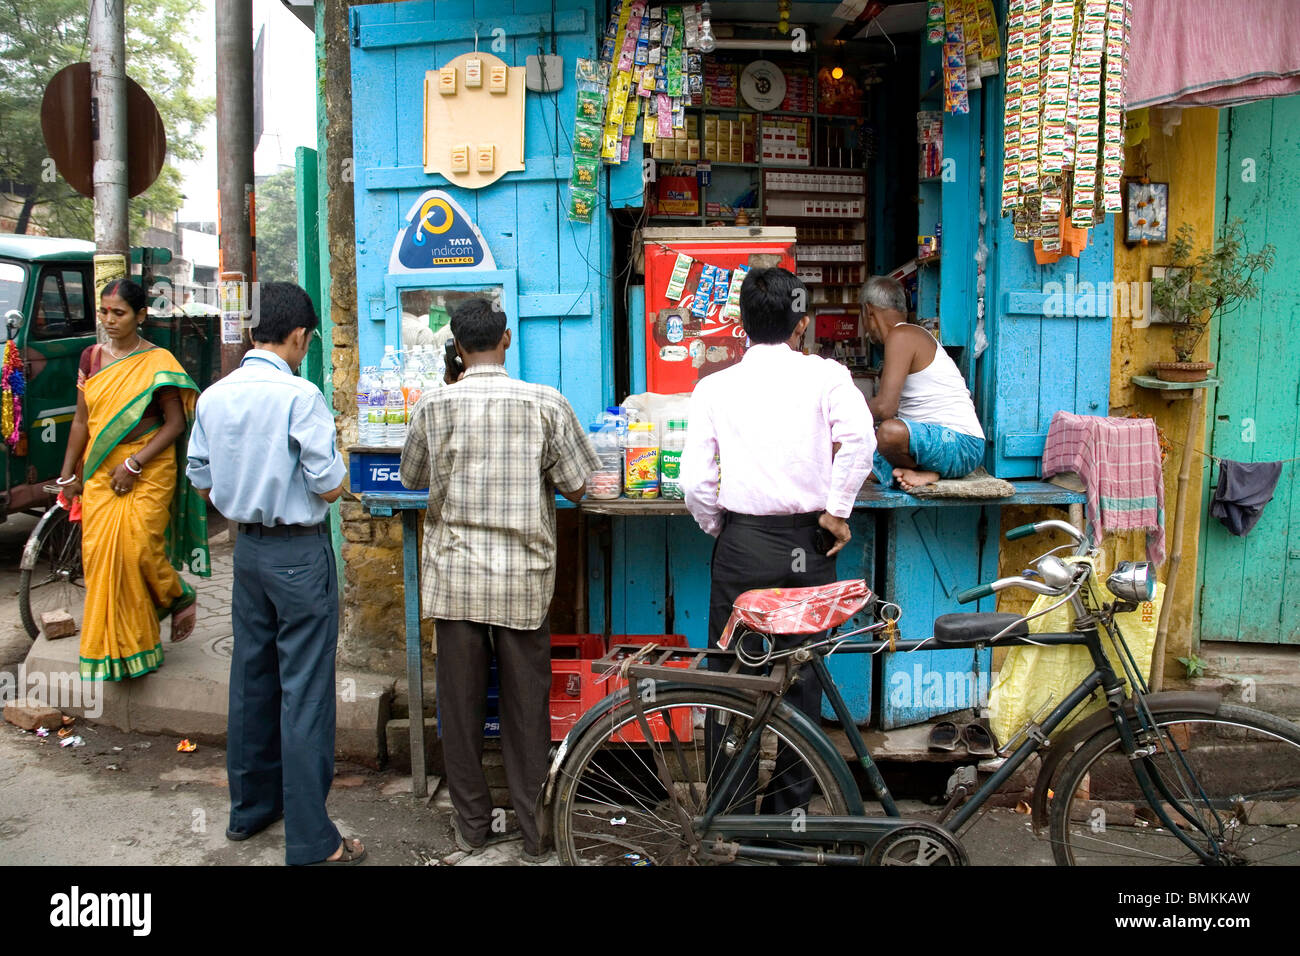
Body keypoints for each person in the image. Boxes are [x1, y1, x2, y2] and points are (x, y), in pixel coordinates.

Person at [400, 298, 599, 860]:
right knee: (524, 707)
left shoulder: (434, 404)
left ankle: (472, 826)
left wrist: (446, 387)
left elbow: (413, 476)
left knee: (460, 709)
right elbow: (580, 486)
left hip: (456, 578)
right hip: (523, 580)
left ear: (456, 348)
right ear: (506, 340)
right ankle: (535, 832)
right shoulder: (545, 402)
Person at [680, 266, 875, 813]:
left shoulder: (714, 387)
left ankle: (730, 813)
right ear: (802, 325)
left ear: (741, 325)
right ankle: (786, 813)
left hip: (742, 546)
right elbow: (861, 440)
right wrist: (837, 514)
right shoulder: (827, 376)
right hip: (806, 546)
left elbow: (694, 483)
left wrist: (725, 529)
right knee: (802, 681)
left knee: (729, 685)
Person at [186, 282, 363, 866]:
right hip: (298, 553)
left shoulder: (213, 395)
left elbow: (202, 479)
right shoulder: (299, 394)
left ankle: (251, 810)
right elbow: (330, 484)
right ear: (298, 336)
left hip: (249, 554)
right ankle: (314, 840)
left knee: (252, 679)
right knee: (306, 691)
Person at [58, 277, 208, 681]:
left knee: (139, 548)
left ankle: (178, 593)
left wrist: (136, 463)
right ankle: (123, 652)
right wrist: (67, 473)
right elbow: (81, 421)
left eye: (119, 313)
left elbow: (175, 424)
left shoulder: (157, 361)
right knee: (103, 558)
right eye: (104, 312)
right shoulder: (90, 358)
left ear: (141, 315)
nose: (109, 320)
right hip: (101, 468)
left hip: (150, 464)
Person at [862, 275, 986, 492]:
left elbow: (885, 408)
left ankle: (927, 471)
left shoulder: (902, 335)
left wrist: (841, 413)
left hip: (962, 445)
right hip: (941, 446)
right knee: (850, 456)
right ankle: (918, 470)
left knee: (888, 433)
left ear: (868, 311)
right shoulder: (904, 336)